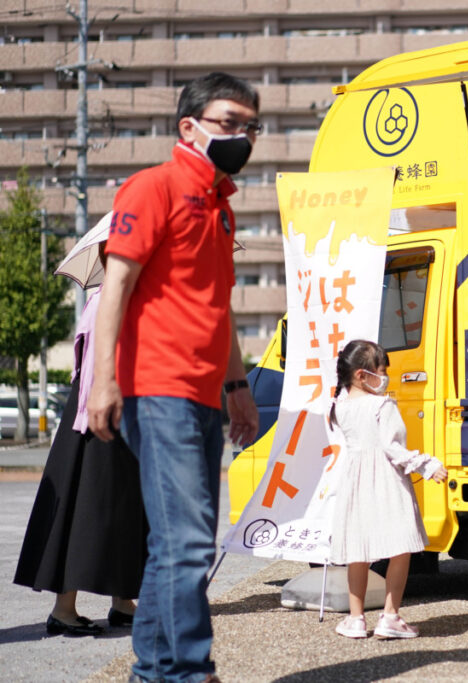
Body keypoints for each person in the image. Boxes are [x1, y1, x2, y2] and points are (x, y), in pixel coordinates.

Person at [87, 72, 260, 683]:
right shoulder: (152, 189)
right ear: (188, 127)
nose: (241, 135)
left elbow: (221, 309)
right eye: (228, 123)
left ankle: (155, 671)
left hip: (204, 394)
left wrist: (236, 387)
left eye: (250, 127)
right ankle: (189, 672)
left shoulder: (223, 209)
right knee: (188, 544)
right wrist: (103, 381)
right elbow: (118, 288)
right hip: (156, 389)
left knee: (174, 546)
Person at [14, 262, 148, 637]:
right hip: (96, 411)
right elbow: (94, 366)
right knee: (83, 507)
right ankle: (64, 608)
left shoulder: (122, 298)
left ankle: (123, 602)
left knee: (125, 507)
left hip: (115, 411)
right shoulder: (108, 299)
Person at [326, 340, 447, 640]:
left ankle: (356, 620)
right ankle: (390, 616)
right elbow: (392, 447)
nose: (385, 377)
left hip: (355, 481)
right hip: (387, 480)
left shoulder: (339, 405)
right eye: (380, 371)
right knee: (399, 548)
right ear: (361, 375)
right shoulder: (382, 404)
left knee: (358, 551)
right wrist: (427, 465)